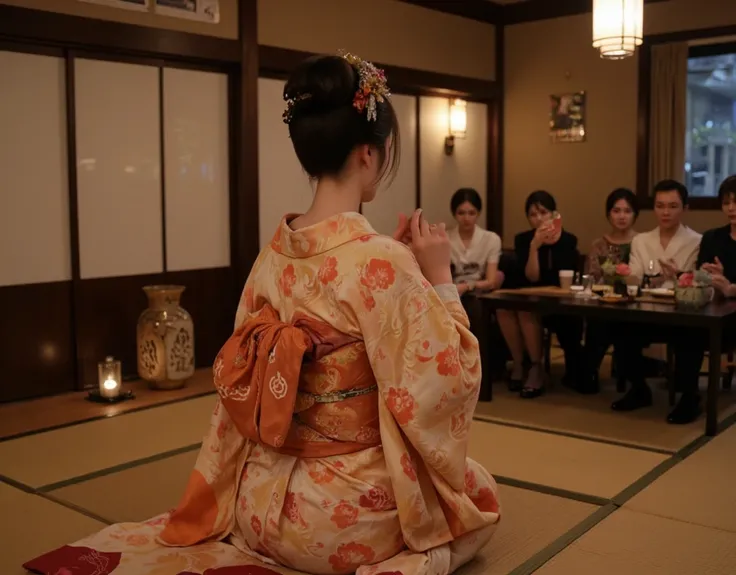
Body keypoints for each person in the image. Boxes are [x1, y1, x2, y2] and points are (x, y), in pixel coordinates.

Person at [24, 53, 499, 575]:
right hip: (340, 524)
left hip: (257, 504)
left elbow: (239, 386)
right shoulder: (382, 261)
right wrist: (437, 279)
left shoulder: (273, 255)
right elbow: (444, 385)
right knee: (475, 496)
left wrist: (403, 266)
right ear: (368, 154)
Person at [611, 179, 703, 424]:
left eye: (672, 206)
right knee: (620, 326)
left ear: (685, 208)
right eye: (660, 205)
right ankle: (639, 388)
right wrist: (622, 273)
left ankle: (689, 396)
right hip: (649, 309)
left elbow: (697, 282)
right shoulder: (642, 240)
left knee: (690, 332)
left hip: (680, 311)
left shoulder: (697, 241)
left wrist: (679, 275)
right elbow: (636, 278)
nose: (665, 212)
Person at [496, 190, 583, 398]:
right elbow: (531, 277)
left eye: (543, 213)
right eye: (533, 215)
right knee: (503, 309)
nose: (539, 219)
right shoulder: (523, 239)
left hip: (558, 301)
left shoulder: (569, 240)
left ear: (555, 215)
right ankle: (518, 363)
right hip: (530, 295)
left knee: (526, 311)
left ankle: (535, 367)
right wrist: (534, 247)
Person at [581, 188, 639, 394]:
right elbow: (593, 276)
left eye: (627, 211)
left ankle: (627, 373)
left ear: (635, 215)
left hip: (635, 304)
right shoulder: (599, 244)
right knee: (599, 321)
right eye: (616, 211)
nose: (622, 216)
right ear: (608, 214)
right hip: (604, 304)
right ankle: (590, 371)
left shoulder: (641, 242)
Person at [449, 187, 504, 401]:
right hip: (451, 294)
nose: (466, 218)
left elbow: (490, 280)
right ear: (454, 214)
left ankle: (479, 378)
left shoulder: (490, 239)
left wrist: (468, 286)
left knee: (475, 309)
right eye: (461, 213)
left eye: (471, 213)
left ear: (478, 213)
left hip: (478, 294)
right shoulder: (446, 238)